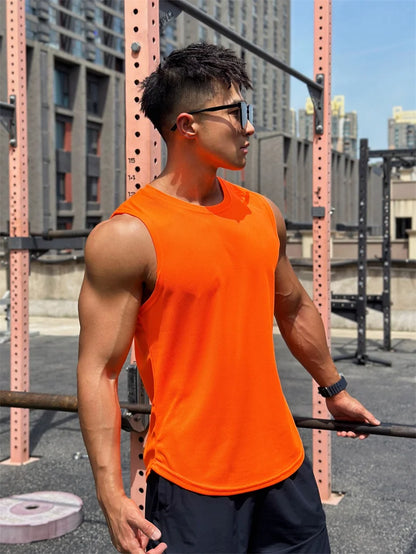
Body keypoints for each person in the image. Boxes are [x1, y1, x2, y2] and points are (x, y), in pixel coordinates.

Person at [77, 43, 380, 554]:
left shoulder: (262, 214)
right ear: (188, 126)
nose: (250, 127)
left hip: (284, 469)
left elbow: (293, 306)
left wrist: (335, 388)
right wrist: (110, 495)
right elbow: (99, 372)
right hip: (192, 483)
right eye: (239, 113)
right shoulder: (128, 237)